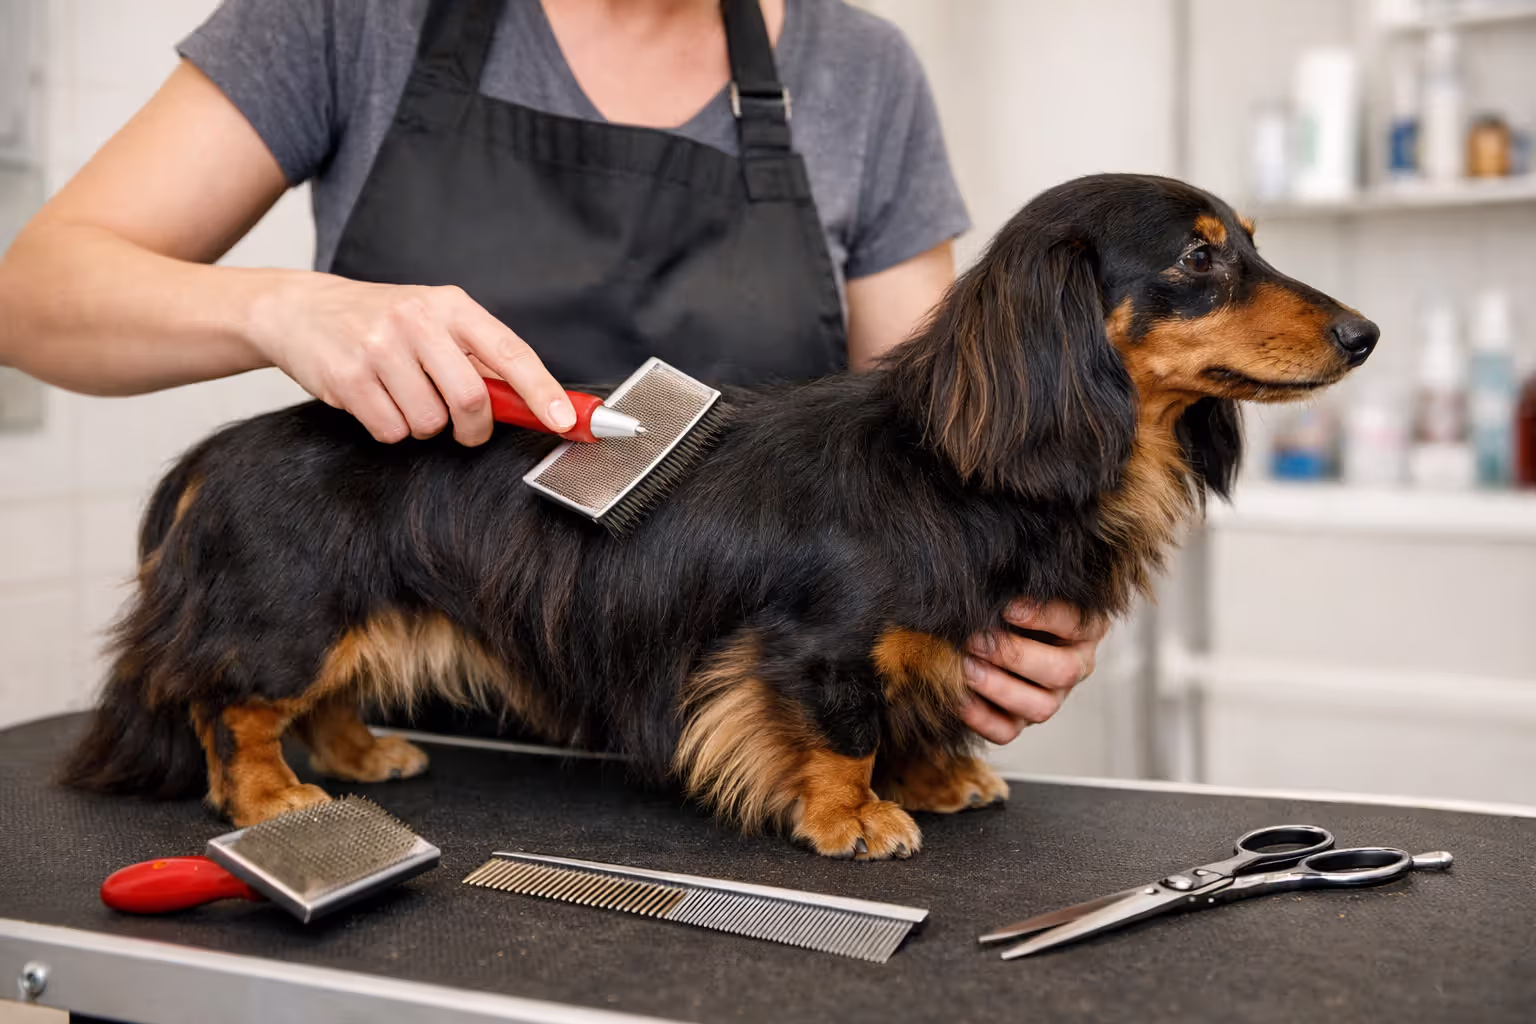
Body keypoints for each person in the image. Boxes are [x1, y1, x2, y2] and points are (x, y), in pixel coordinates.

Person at [0, 0, 1107, 745]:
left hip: (740, 769)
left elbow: (939, 451)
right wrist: (278, 304)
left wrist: (1008, 610)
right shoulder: (352, 16)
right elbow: (31, 296)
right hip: (394, 743)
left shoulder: (861, 72)